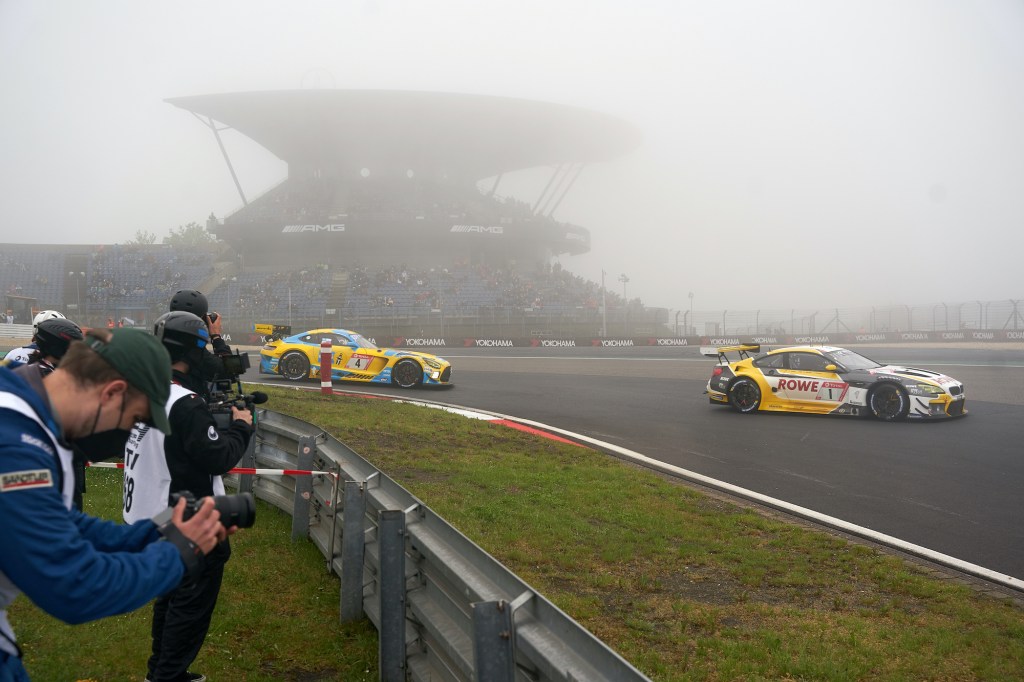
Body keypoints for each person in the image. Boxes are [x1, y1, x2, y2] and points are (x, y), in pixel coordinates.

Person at [0, 327, 231, 681]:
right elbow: (76, 587)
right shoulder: (16, 450)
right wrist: (179, 552)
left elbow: (67, 523)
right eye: (134, 421)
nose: (125, 438)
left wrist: (161, 531)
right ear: (111, 393)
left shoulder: (26, 416)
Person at [123, 311, 254, 682]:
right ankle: (167, 675)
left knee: (170, 596)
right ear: (194, 352)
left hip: (149, 516)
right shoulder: (184, 403)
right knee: (190, 604)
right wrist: (241, 428)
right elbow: (218, 458)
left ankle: (162, 671)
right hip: (183, 520)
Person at [168, 290, 233, 399]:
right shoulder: (193, 349)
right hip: (189, 401)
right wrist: (216, 336)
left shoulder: (163, 339)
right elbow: (228, 372)